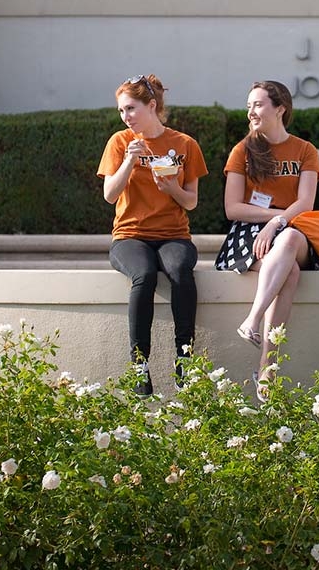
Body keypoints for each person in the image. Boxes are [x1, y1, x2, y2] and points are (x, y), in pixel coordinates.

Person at [97, 75, 208, 396]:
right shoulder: (120, 142)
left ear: (152, 106)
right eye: (121, 111)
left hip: (173, 234)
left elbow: (191, 201)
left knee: (179, 272)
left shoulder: (185, 145)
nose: (126, 117)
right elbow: (109, 194)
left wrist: (171, 186)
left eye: (131, 109)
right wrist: (131, 160)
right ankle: (139, 365)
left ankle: (185, 359)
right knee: (143, 275)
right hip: (130, 235)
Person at [219, 80, 319, 401]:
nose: (251, 111)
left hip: (294, 229)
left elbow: (305, 204)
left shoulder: (304, 150)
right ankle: (268, 367)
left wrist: (278, 220)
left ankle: (253, 318)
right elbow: (232, 207)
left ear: (280, 109)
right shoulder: (243, 150)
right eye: (249, 105)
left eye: (258, 105)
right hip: (250, 234)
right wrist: (268, 222)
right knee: (288, 272)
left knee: (289, 237)